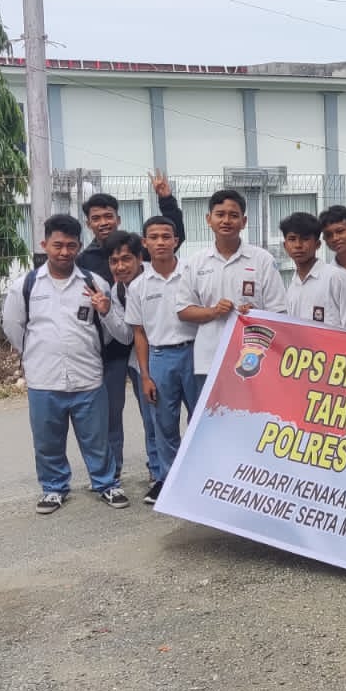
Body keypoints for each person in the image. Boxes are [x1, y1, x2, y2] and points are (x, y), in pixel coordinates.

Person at [2, 213, 132, 514]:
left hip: (88, 376)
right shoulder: (26, 285)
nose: (64, 252)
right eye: (57, 245)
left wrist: (105, 311)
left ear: (79, 246)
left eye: (71, 246)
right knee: (47, 440)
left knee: (97, 438)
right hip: (44, 379)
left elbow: (115, 333)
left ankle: (106, 483)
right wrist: (38, 354)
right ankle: (53, 487)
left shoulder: (95, 283)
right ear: (44, 245)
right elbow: (13, 328)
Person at [174, 189, 287, 396]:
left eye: (233, 215)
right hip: (209, 360)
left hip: (253, 359)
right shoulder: (196, 262)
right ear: (209, 219)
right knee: (212, 415)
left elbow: (279, 311)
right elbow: (183, 310)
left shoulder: (262, 260)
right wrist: (214, 311)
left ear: (244, 222)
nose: (226, 220)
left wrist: (255, 315)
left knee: (251, 413)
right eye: (220, 214)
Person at [125, 216, 196, 505]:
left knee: (200, 419)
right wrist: (145, 375)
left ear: (176, 241)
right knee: (164, 424)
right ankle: (168, 480)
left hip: (195, 353)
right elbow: (139, 333)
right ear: (145, 243)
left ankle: (200, 478)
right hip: (160, 357)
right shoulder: (138, 286)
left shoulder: (192, 273)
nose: (160, 242)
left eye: (166, 237)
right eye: (153, 237)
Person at [103, 229, 166, 503]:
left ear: (140, 258)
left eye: (126, 259)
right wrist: (106, 312)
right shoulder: (117, 290)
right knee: (151, 420)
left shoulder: (159, 278)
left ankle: (174, 472)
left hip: (173, 357)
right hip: (140, 363)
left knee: (168, 420)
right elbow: (127, 336)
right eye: (114, 261)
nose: (120, 267)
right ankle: (157, 473)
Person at [77, 172, 186, 281]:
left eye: (108, 216)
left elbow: (174, 235)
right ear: (88, 224)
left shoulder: (138, 247)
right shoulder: (84, 261)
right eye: (96, 218)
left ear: (118, 220)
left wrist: (167, 200)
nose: (103, 222)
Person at [281, 212, 346, 329]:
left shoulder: (336, 277)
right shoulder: (292, 288)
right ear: (285, 245)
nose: (298, 245)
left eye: (305, 239)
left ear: (317, 244)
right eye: (292, 239)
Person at [318, 204, 346, 277]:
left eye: (340, 231)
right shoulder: (327, 275)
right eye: (328, 235)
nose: (335, 238)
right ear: (324, 239)